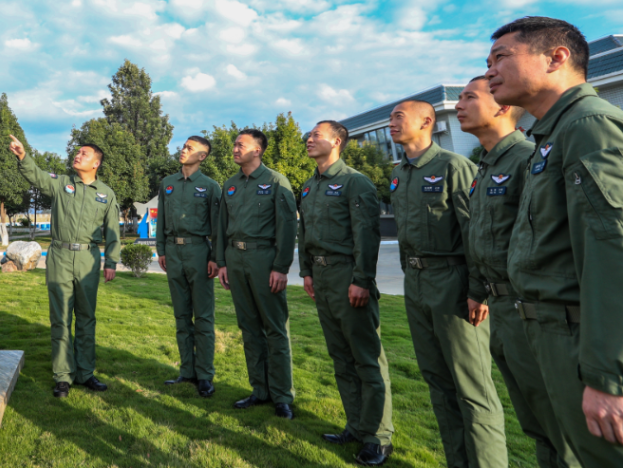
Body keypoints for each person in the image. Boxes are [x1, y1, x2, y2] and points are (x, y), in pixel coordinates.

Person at [486, 16, 623, 463]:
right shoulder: (550, 136)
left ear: (556, 57)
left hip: (582, 340)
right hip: (552, 333)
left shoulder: (588, 125)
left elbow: (612, 252)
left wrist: (608, 378)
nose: (489, 71)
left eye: (501, 57)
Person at [456, 76, 580, 468]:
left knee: (563, 431)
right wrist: (478, 289)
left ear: (502, 107)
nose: (459, 104)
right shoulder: (486, 164)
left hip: (533, 308)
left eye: (469, 97)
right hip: (502, 306)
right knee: (537, 423)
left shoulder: (527, 158)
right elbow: (482, 235)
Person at [388, 100, 507, 468]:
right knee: (438, 383)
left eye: (398, 116)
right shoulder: (400, 172)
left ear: (427, 121)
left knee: (472, 388)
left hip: (453, 283)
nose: (392, 123)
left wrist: (477, 290)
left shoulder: (453, 166)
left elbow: (474, 231)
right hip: (417, 283)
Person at [299, 121, 394, 466]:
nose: (309, 139)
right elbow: (304, 232)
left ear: (337, 141)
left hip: (347, 276)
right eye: (309, 135)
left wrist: (362, 279)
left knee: (367, 359)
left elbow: (367, 235)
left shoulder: (355, 182)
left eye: (316, 135)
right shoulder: (309, 186)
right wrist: (307, 271)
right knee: (341, 357)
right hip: (321, 277)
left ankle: (379, 437)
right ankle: (355, 425)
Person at [9, 134, 121, 399]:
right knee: (60, 318)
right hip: (60, 256)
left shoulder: (106, 194)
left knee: (86, 318)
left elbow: (113, 231)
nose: (77, 155)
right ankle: (62, 376)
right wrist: (23, 156)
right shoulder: (61, 184)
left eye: (84, 153)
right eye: (77, 152)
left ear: (96, 163)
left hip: (88, 259)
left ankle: (85, 373)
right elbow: (36, 176)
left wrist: (112, 261)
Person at [215, 129, 297, 419]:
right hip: (235, 260)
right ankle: (259, 390)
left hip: (265, 259)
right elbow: (222, 225)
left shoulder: (275, 181)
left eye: (241, 145)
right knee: (249, 328)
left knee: (275, 329)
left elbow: (287, 227)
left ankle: (282, 396)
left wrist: (280, 267)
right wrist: (222, 262)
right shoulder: (231, 184)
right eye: (235, 145)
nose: (235, 149)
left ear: (258, 150)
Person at [156, 135, 221, 398]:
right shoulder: (168, 183)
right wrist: (161, 249)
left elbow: (218, 226)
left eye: (190, 148)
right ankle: (187, 370)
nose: (183, 151)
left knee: (203, 317)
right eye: (183, 146)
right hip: (173, 251)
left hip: (198, 251)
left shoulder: (210, 186)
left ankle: (205, 374)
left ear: (202, 156)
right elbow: (161, 218)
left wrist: (215, 257)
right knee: (181, 316)